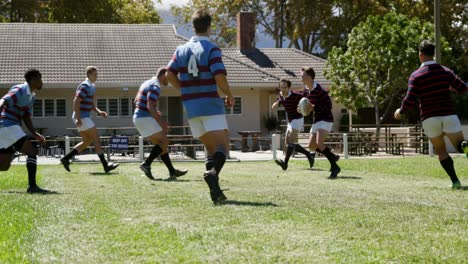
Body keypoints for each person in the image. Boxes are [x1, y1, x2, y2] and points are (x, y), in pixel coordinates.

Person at [166, 9, 234, 204]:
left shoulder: (180, 49)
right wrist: (229, 94)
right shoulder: (212, 49)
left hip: (191, 107)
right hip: (210, 104)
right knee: (223, 148)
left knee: (212, 151)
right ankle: (212, 174)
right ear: (209, 27)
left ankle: (216, 193)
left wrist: (184, 90)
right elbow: (219, 76)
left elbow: (169, 74)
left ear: (193, 27)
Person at [395, 40, 468, 189]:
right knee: (460, 146)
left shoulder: (415, 76)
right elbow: (462, 88)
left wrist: (400, 111)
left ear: (420, 55)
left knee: (441, 150)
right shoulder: (445, 71)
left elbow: (409, 99)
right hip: (449, 115)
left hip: (430, 118)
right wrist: (452, 88)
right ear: (433, 54)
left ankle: (455, 181)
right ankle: (465, 146)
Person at [60, 66, 119, 173]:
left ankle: (65, 159)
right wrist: (78, 119)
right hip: (82, 117)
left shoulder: (92, 86)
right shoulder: (85, 86)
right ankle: (106, 165)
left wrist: (99, 112)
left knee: (86, 141)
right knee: (96, 138)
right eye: (95, 74)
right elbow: (76, 102)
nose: (97, 76)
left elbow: (91, 104)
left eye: (97, 74)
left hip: (82, 117)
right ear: (89, 75)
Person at [0, 69, 50, 193]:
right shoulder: (20, 89)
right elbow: (3, 100)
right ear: (32, 79)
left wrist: (34, 133)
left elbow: (26, 116)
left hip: (9, 128)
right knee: (32, 151)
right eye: (40, 78)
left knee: (4, 166)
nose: (42, 82)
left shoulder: (32, 97)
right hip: (7, 126)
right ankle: (32, 186)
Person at [133, 67, 188, 180]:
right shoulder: (155, 86)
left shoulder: (147, 82)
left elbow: (136, 101)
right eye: (171, 77)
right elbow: (150, 105)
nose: (172, 80)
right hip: (144, 118)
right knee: (164, 141)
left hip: (138, 117)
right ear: (164, 74)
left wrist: (153, 111)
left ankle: (172, 172)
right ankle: (146, 164)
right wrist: (162, 122)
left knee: (162, 146)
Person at [300, 67, 341, 179]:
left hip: (325, 119)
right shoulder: (306, 91)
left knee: (319, 143)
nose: (301, 78)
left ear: (309, 77)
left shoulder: (319, 90)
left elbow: (328, 106)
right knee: (311, 146)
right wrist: (301, 109)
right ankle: (332, 156)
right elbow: (305, 106)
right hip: (316, 120)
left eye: (303, 76)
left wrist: (312, 108)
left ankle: (335, 167)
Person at [272, 78, 315, 170]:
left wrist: (306, 106)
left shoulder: (296, 95)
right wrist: (276, 103)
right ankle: (308, 154)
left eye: (285, 87)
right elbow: (281, 100)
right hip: (290, 121)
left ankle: (285, 164)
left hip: (298, 120)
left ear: (289, 88)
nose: (283, 89)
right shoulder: (281, 95)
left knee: (291, 141)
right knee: (289, 143)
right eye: (281, 87)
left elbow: (306, 98)